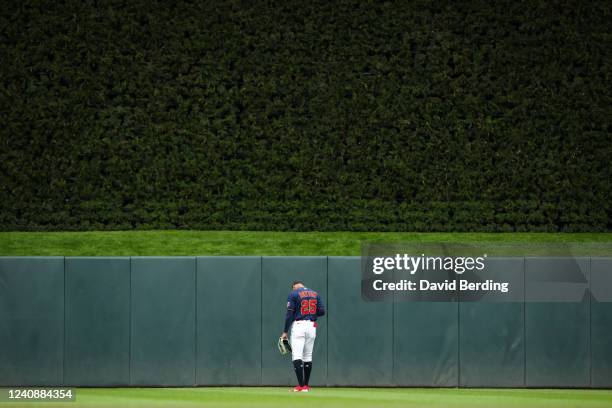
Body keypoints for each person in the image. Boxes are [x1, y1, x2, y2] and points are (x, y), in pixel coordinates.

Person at [281, 280, 325, 392]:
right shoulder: (315, 293)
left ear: (294, 287)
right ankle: (306, 386)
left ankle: (301, 386)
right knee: (308, 355)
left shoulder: (294, 293)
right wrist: (311, 314)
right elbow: (322, 311)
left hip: (299, 325)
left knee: (297, 355)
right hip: (312, 326)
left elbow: (289, 313)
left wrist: (285, 331)